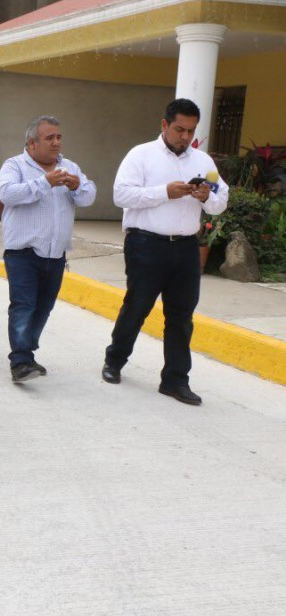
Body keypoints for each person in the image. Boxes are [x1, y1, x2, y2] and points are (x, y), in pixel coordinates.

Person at [103, 98, 228, 405]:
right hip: (146, 245)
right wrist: (164, 193)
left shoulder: (203, 162)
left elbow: (220, 200)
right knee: (137, 307)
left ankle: (174, 380)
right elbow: (121, 194)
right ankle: (114, 361)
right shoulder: (141, 155)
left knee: (182, 316)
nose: (184, 136)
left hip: (186, 248)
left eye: (190, 131)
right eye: (178, 129)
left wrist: (204, 196)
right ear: (164, 125)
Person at [0, 115, 95, 382]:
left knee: (43, 308)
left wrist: (77, 186)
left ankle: (26, 353)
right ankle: (20, 361)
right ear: (32, 142)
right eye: (49, 138)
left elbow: (89, 195)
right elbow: (7, 193)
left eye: (59, 137)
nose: (56, 143)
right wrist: (45, 182)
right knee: (23, 305)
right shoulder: (14, 165)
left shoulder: (69, 166)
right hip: (23, 252)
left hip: (56, 253)